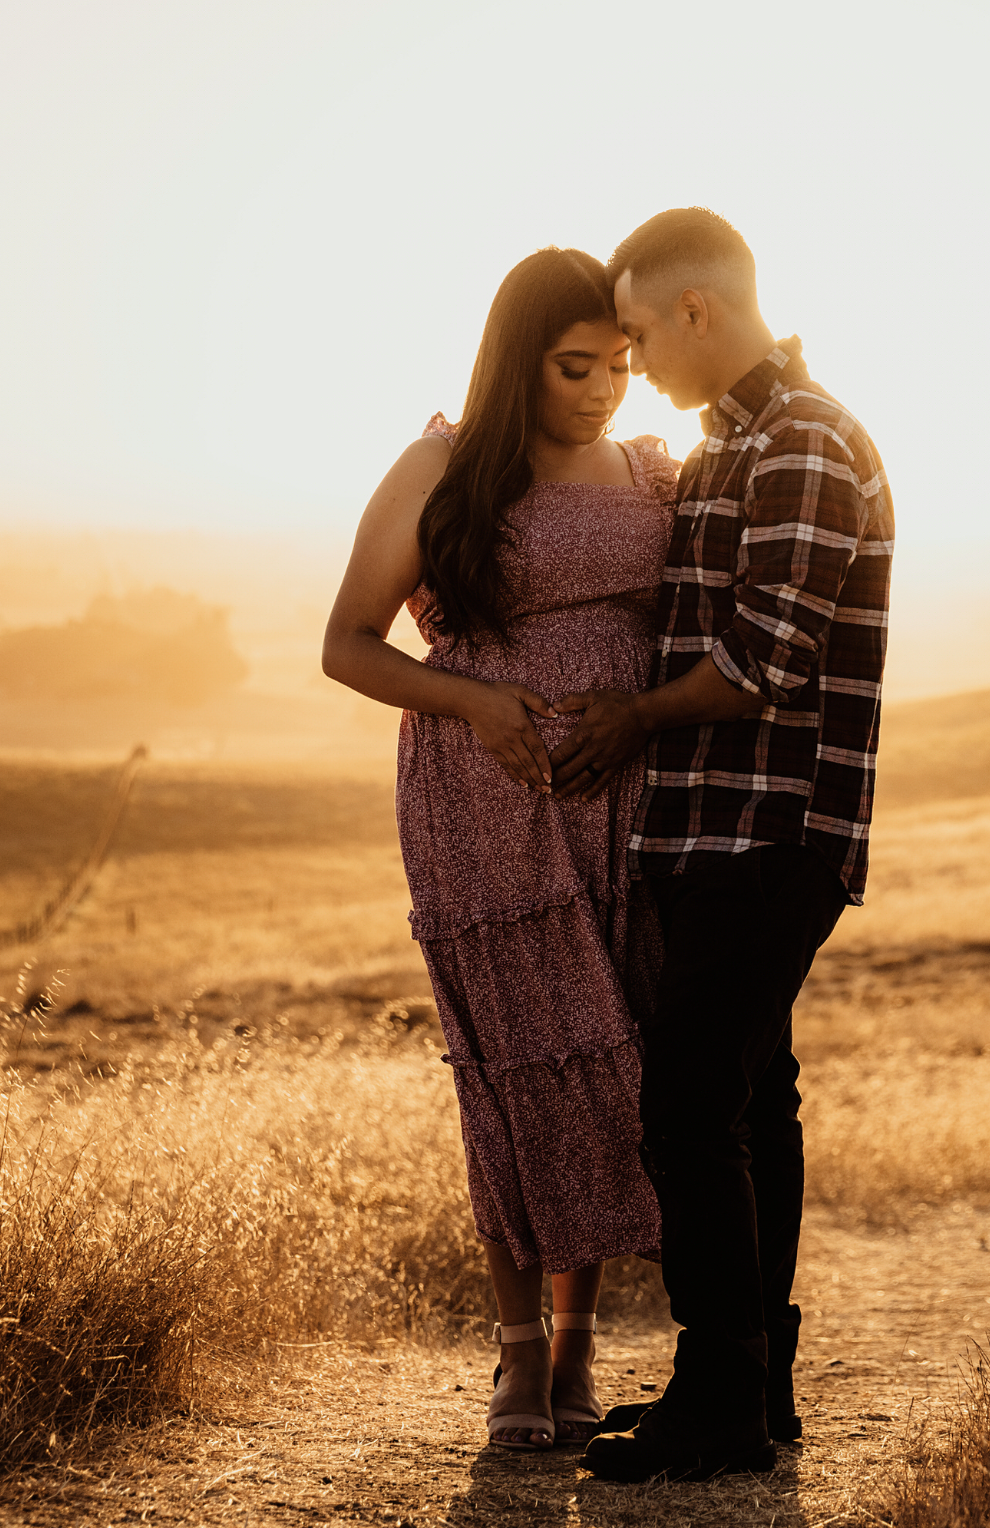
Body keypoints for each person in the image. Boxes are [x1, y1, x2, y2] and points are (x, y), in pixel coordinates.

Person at [545, 208, 895, 1482]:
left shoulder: (802, 443)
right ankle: (752, 1389)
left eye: (638, 331)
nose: (631, 359)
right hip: (710, 829)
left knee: (687, 1103)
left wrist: (628, 716)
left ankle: (722, 1392)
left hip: (775, 825)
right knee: (751, 1100)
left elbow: (761, 660)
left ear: (698, 310)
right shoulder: (724, 446)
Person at [321, 246, 679, 1452]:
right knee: (513, 1067)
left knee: (607, 1068)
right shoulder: (441, 467)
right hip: (479, 806)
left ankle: (580, 1350)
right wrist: (477, 705)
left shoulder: (647, 471)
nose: (606, 390)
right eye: (578, 366)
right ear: (516, 355)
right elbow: (348, 645)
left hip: (622, 804)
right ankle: (516, 1357)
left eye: (623, 365)